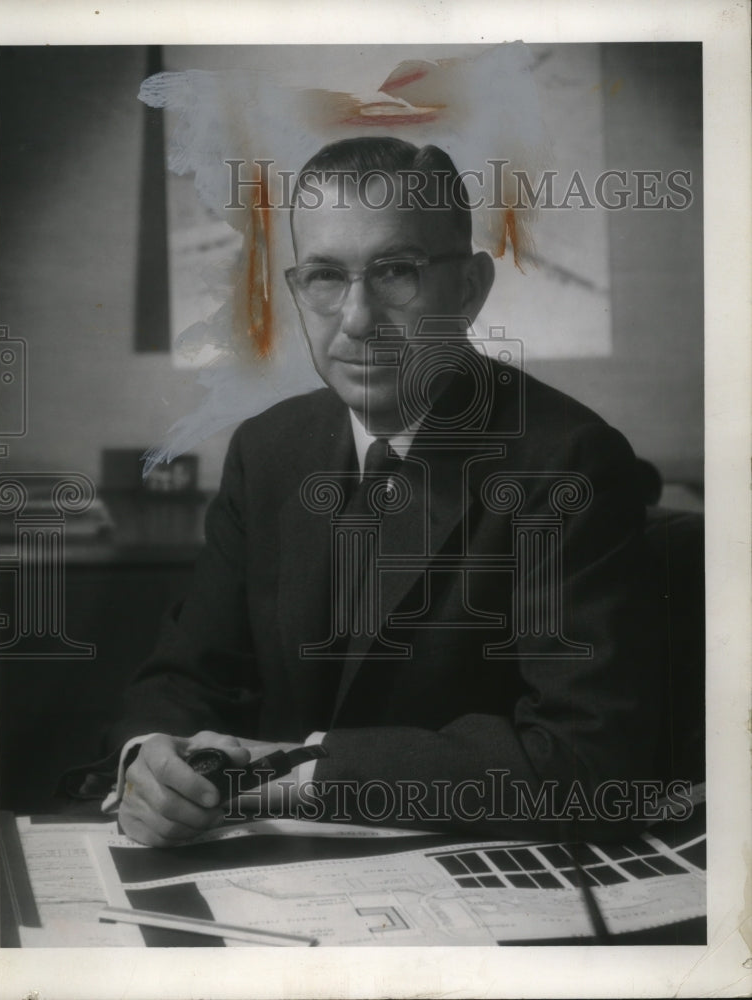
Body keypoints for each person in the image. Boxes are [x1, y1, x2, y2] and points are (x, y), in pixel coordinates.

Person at [72, 137, 662, 846]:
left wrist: (309, 774)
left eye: (396, 272)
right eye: (325, 276)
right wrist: (148, 760)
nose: (356, 319)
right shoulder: (267, 450)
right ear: (297, 290)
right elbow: (186, 676)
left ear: (470, 289)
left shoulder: (568, 462)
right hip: (273, 874)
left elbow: (588, 761)